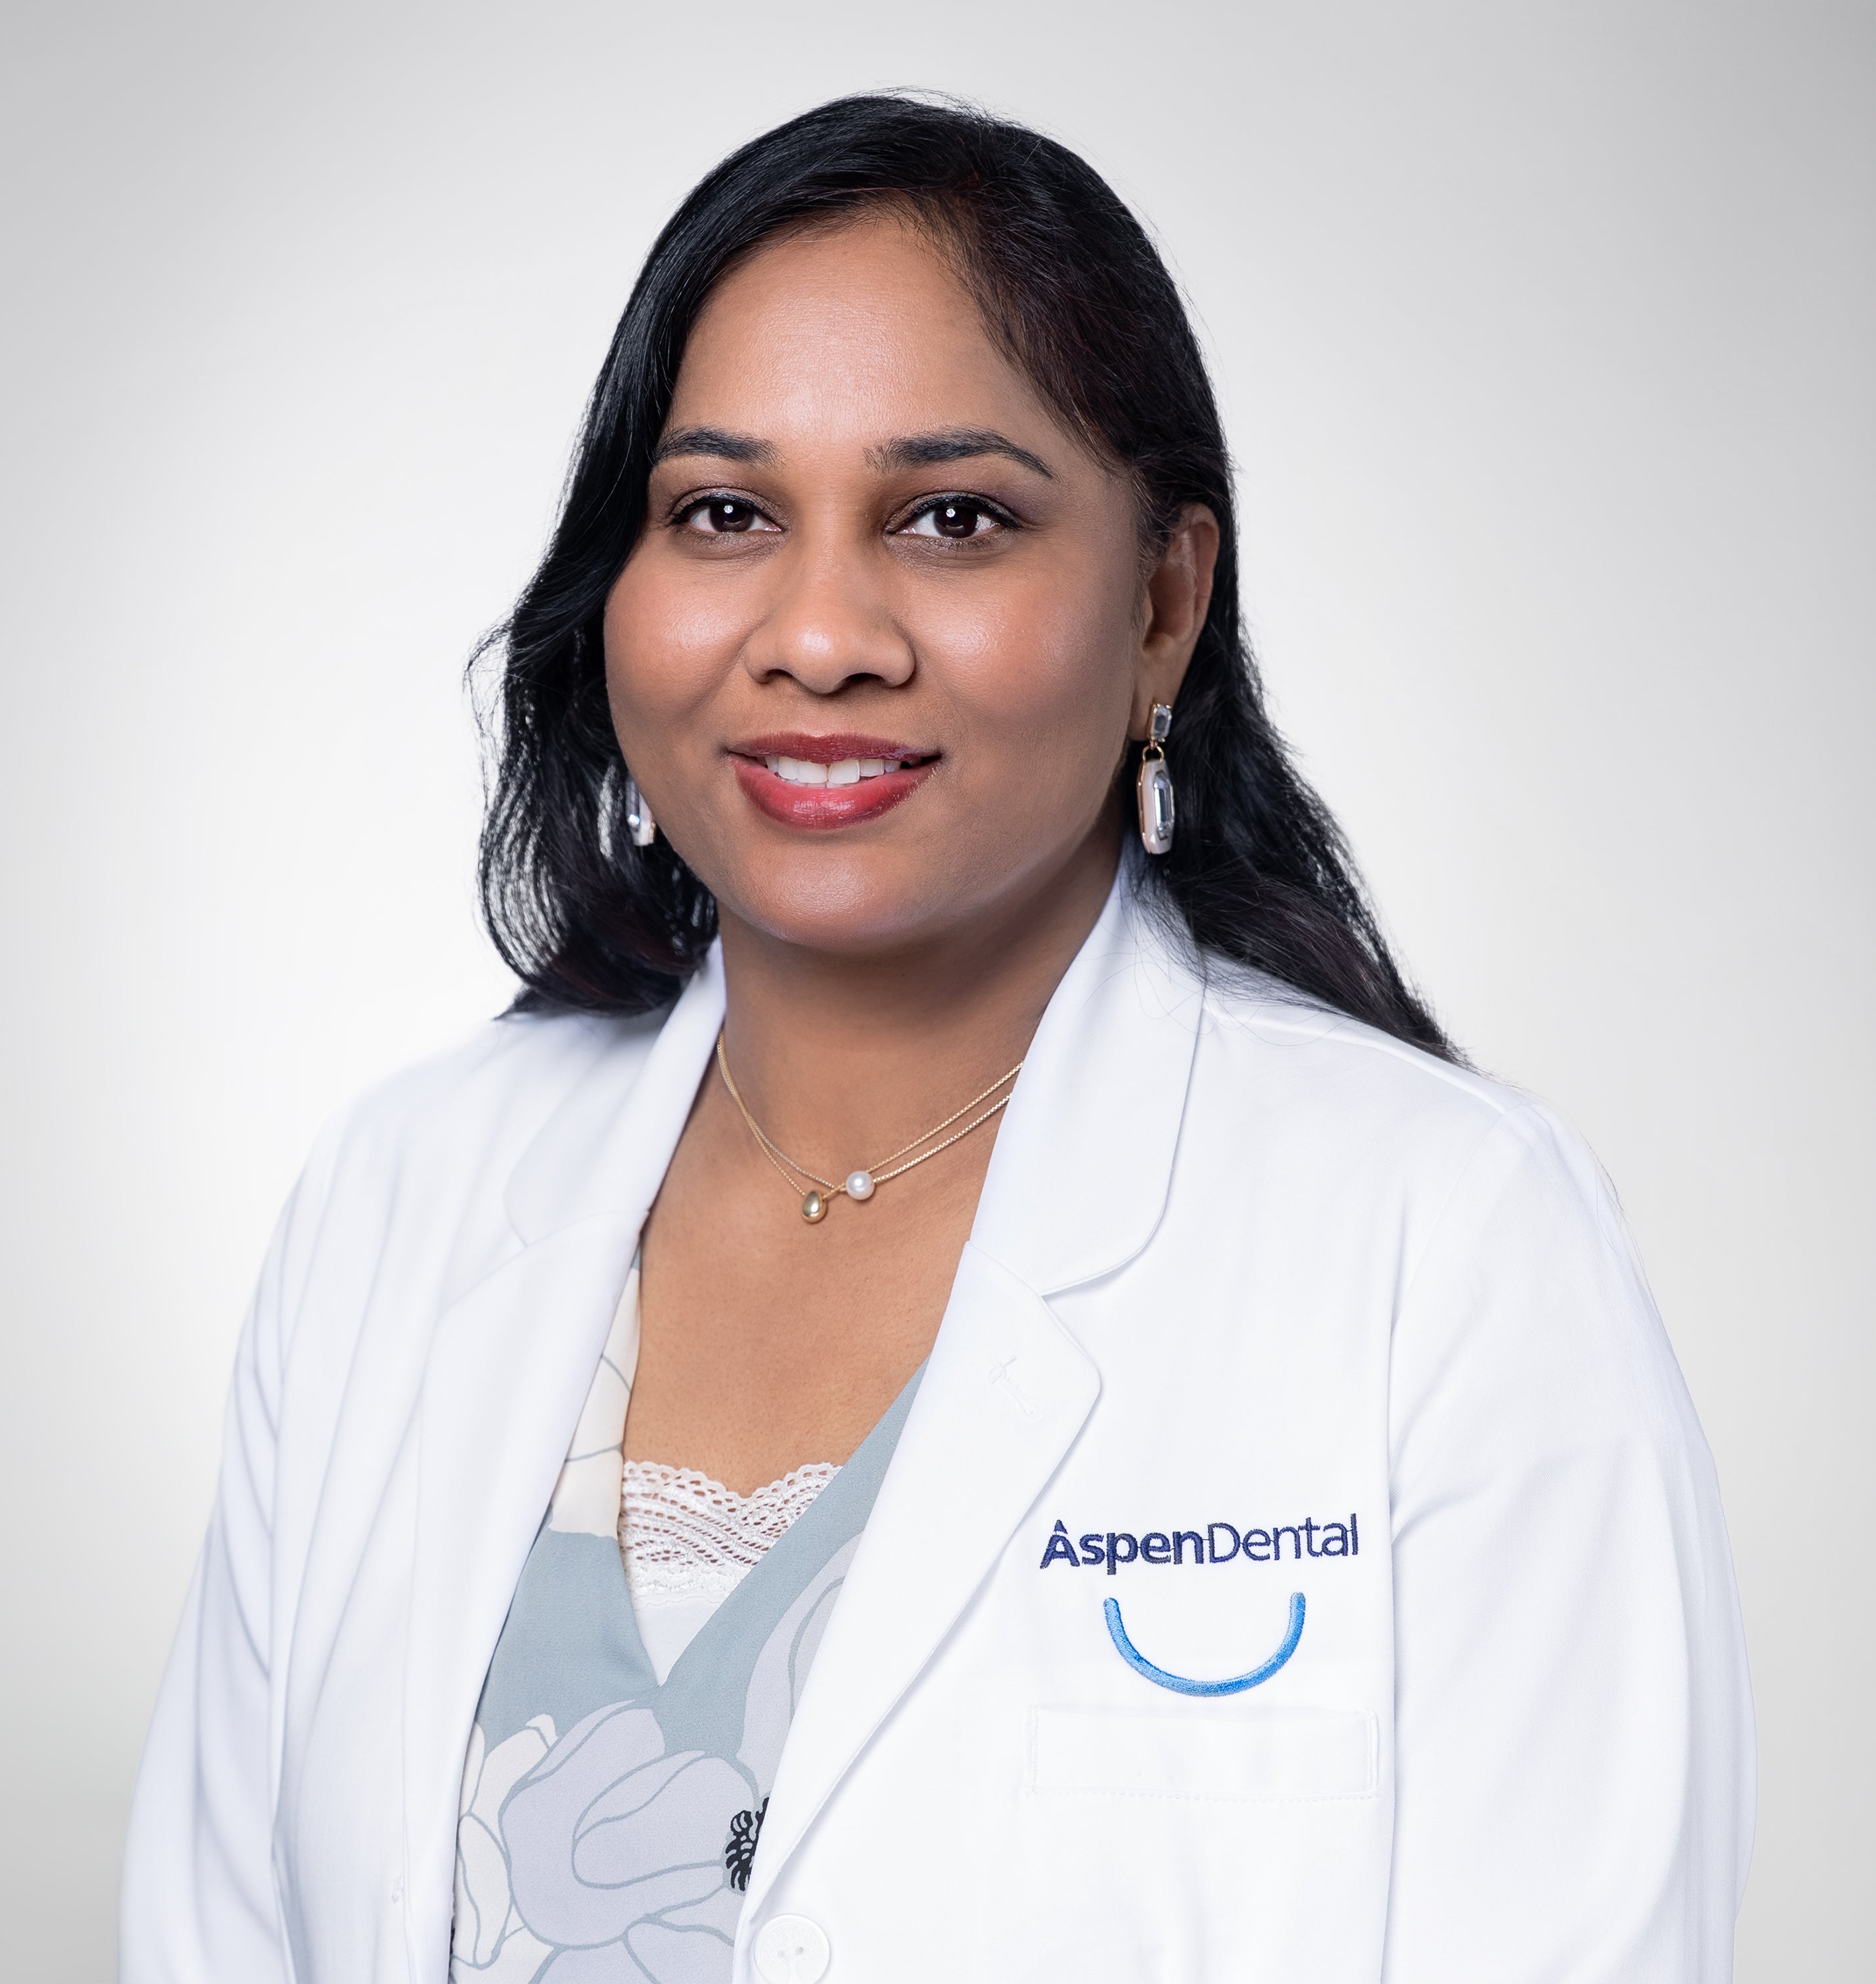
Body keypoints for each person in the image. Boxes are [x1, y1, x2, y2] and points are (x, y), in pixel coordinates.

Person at [120, 93, 1754, 1984]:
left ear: (1164, 606)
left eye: (953, 518)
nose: (821, 635)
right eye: (724, 514)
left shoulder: (1449, 1245)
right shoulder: (396, 1201)